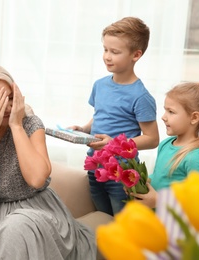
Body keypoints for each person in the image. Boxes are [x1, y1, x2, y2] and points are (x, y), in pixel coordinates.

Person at [0, 63, 96, 259]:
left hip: (37, 209)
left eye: (9, 98)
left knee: (19, 227)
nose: (6, 107)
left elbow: (37, 179)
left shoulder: (31, 124)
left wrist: (16, 125)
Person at [70, 16, 159, 215]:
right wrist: (85, 129)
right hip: (96, 168)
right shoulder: (100, 85)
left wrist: (115, 145)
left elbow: (152, 139)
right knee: (103, 218)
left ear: (136, 55)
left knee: (122, 224)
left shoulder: (141, 96)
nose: (107, 56)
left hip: (122, 175)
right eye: (105, 49)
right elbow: (101, 115)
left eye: (115, 52)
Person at [132, 76, 199, 208]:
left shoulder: (194, 157)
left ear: (194, 117)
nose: (163, 117)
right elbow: (159, 176)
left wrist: (158, 200)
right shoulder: (166, 144)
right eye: (165, 110)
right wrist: (143, 181)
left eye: (171, 112)